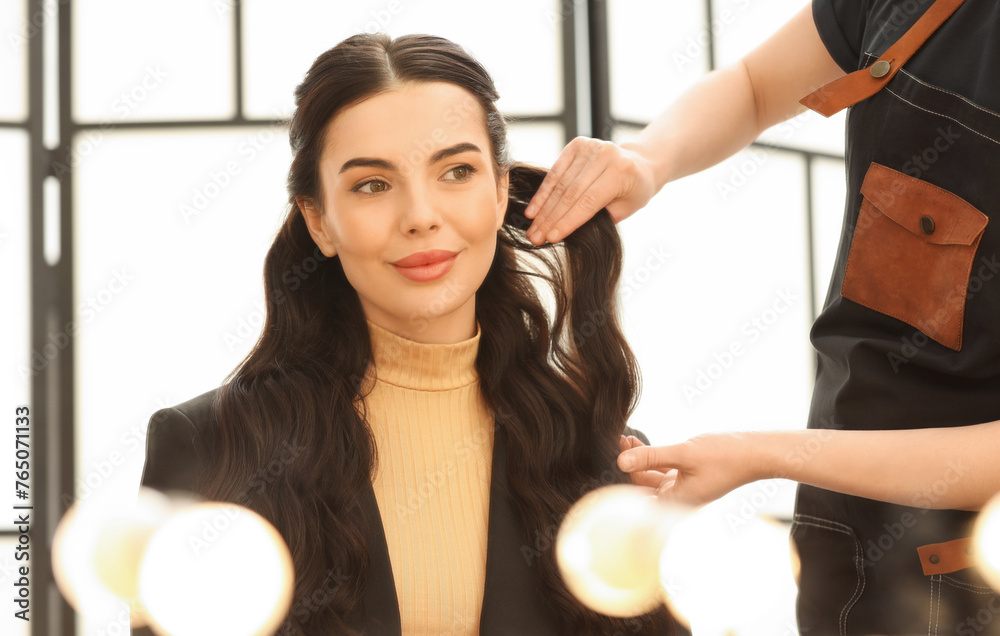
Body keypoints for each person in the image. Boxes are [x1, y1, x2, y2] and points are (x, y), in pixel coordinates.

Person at [137, 33, 686, 636]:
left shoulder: (600, 452)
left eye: (456, 171)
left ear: (501, 190)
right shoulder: (208, 446)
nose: (421, 215)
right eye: (372, 184)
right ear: (319, 220)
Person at [524, 0, 1000, 634]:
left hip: (968, 567)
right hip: (839, 515)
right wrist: (648, 158)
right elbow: (753, 86)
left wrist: (760, 455)